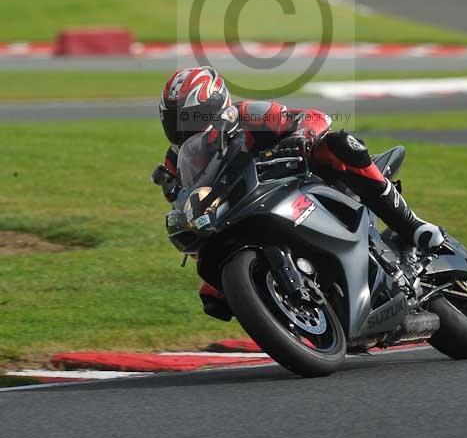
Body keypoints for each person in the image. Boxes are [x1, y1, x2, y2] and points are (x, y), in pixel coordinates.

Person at [152, 66, 444, 321]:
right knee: (215, 294)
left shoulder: (246, 115)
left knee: (340, 144)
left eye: (188, 116)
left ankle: (412, 225)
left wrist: (301, 136)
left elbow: (313, 117)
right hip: (244, 212)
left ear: (216, 104)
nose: (181, 126)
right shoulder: (174, 164)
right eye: (174, 118)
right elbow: (189, 206)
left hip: (300, 180)